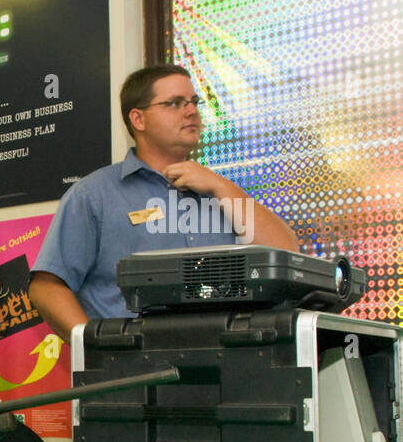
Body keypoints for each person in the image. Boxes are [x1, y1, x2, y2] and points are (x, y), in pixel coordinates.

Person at [30, 63, 301, 340]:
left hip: (223, 365)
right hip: (133, 373)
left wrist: (221, 186)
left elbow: (287, 255)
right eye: (174, 103)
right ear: (138, 119)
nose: (191, 111)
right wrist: (95, 347)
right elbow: (47, 287)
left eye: (194, 102)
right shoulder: (94, 195)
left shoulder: (219, 192)